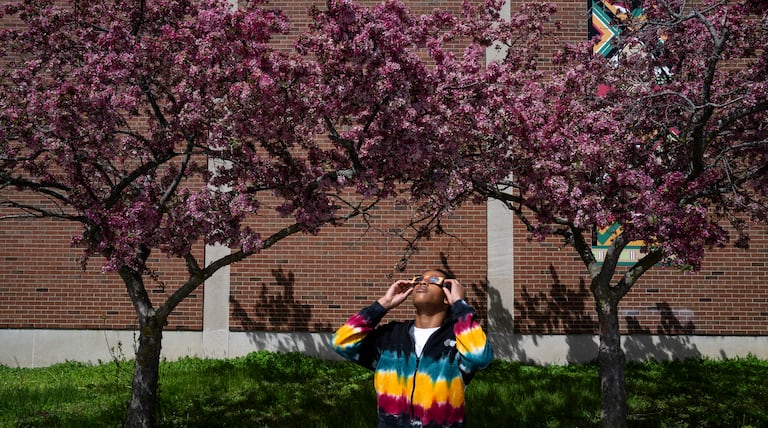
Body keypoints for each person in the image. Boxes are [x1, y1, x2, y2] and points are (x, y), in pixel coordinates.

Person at [331, 269, 494, 428]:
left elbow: (479, 357)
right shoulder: (391, 336)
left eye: (433, 280)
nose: (423, 282)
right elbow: (341, 342)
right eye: (419, 279)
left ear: (447, 297)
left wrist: (460, 305)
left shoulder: (459, 339)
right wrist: (383, 305)